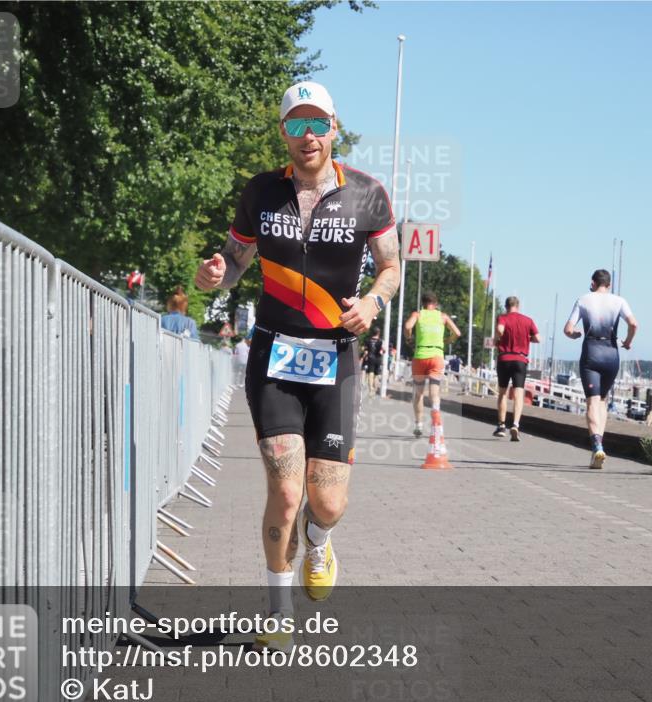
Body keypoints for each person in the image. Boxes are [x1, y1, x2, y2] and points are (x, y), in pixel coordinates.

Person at [194, 81, 399, 649]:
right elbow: (235, 262)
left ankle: (318, 537)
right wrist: (215, 275)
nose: (306, 136)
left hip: (336, 355)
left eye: (316, 124)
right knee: (285, 488)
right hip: (274, 354)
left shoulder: (367, 194)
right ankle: (278, 611)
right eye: (294, 125)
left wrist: (374, 302)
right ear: (282, 132)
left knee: (327, 500)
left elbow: (392, 266)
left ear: (335, 127)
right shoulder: (261, 192)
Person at [563, 269, 638, 469]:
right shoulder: (619, 301)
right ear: (609, 284)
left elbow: (568, 329)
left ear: (592, 282)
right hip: (611, 354)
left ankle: (596, 445)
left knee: (592, 402)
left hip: (591, 352)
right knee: (603, 401)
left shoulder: (583, 300)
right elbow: (633, 324)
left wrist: (575, 335)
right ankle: (599, 445)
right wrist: (628, 342)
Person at [404, 292, 461, 437]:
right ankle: (435, 423)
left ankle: (419, 424)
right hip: (437, 356)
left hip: (420, 356)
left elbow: (407, 326)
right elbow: (457, 333)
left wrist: (409, 337)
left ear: (423, 304)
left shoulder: (418, 314)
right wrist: (449, 340)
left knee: (419, 393)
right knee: (434, 394)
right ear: (436, 304)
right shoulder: (443, 316)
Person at [493, 296, 541, 441]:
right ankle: (515, 424)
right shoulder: (528, 320)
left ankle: (501, 426)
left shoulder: (503, 317)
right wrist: (528, 338)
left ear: (506, 306)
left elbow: (500, 330)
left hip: (505, 358)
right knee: (518, 393)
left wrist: (497, 339)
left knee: (502, 393)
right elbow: (538, 339)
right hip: (520, 360)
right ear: (518, 306)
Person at [361, 327, 383, 398]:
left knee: (370, 372)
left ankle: (371, 389)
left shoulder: (368, 340)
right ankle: (375, 388)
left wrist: (364, 355)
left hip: (370, 358)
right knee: (376, 374)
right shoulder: (380, 341)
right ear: (378, 333)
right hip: (378, 358)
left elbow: (365, 350)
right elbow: (382, 351)